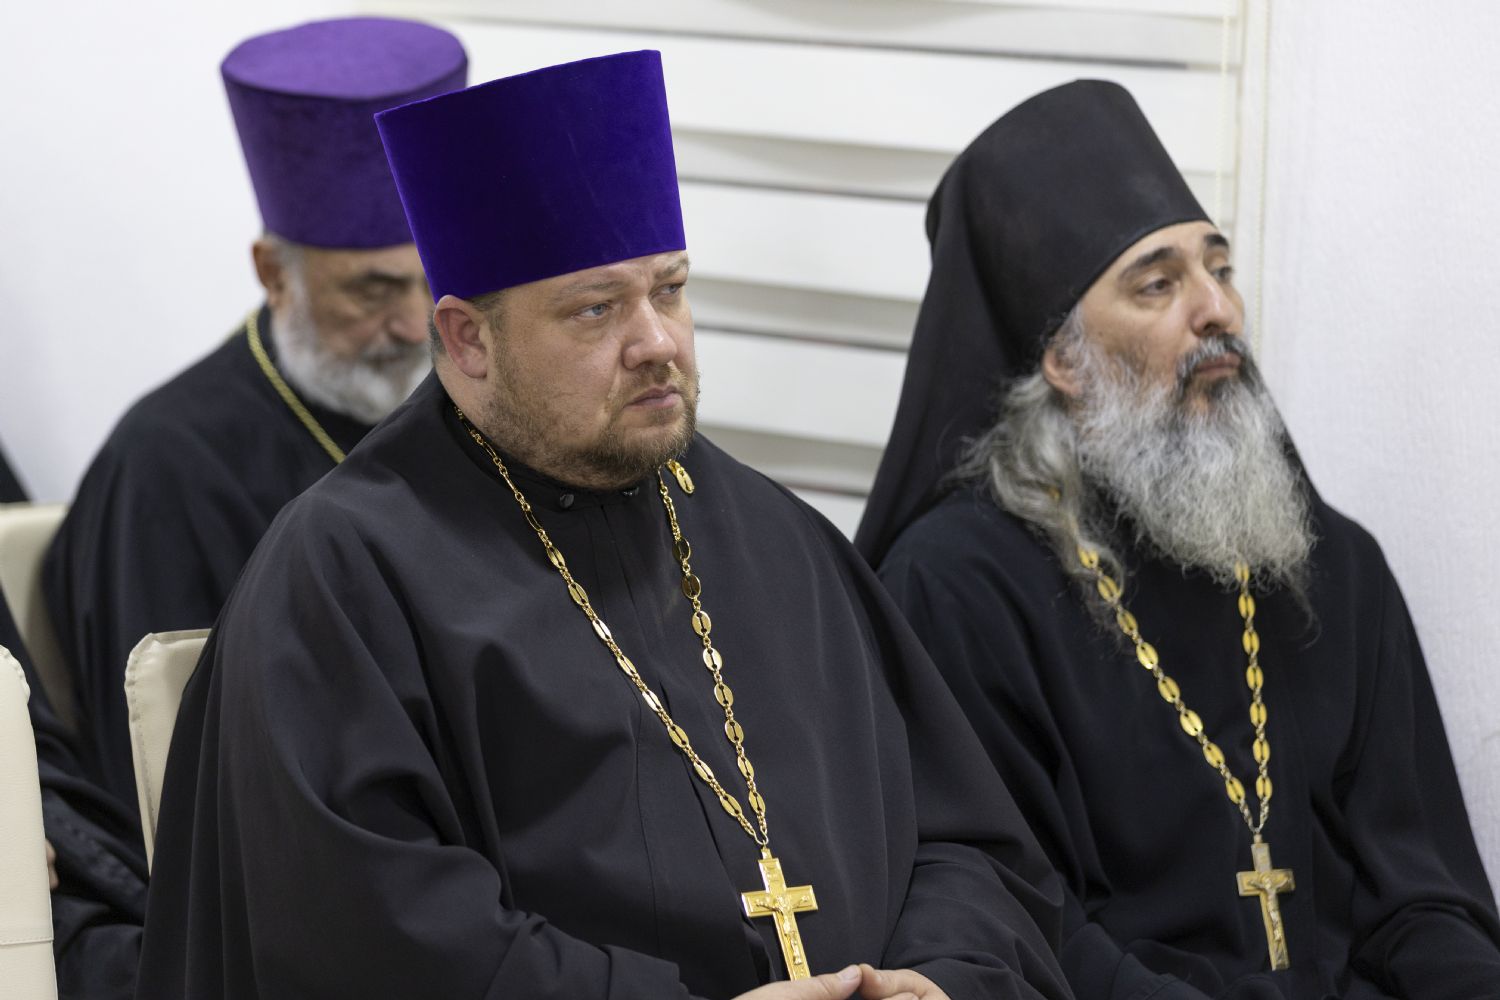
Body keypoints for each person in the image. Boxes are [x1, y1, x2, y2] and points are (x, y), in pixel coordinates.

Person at [135, 52, 1075, 1000]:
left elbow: (964, 841)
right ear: (467, 339)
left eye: (669, 289)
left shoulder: (775, 536)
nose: (658, 342)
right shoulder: (342, 576)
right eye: (596, 309)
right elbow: (372, 939)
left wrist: (940, 976)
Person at [858, 80, 1500, 999]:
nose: (1218, 310)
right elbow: (1023, 925)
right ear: (1063, 358)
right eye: (1159, 284)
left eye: (1220, 269)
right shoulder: (957, 589)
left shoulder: (1334, 568)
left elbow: (1424, 897)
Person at [42, 17, 467, 804]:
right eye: (372, 290)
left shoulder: (476, 405)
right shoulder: (167, 466)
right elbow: (169, 770)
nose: (416, 327)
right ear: (274, 273)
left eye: (432, 279)